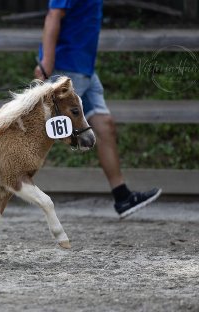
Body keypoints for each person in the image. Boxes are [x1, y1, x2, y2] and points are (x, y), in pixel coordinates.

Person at [34, 0, 161, 219]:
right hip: (66, 67)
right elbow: (53, 15)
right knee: (40, 133)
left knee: (104, 125)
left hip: (85, 69)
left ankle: (122, 197)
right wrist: (47, 61)